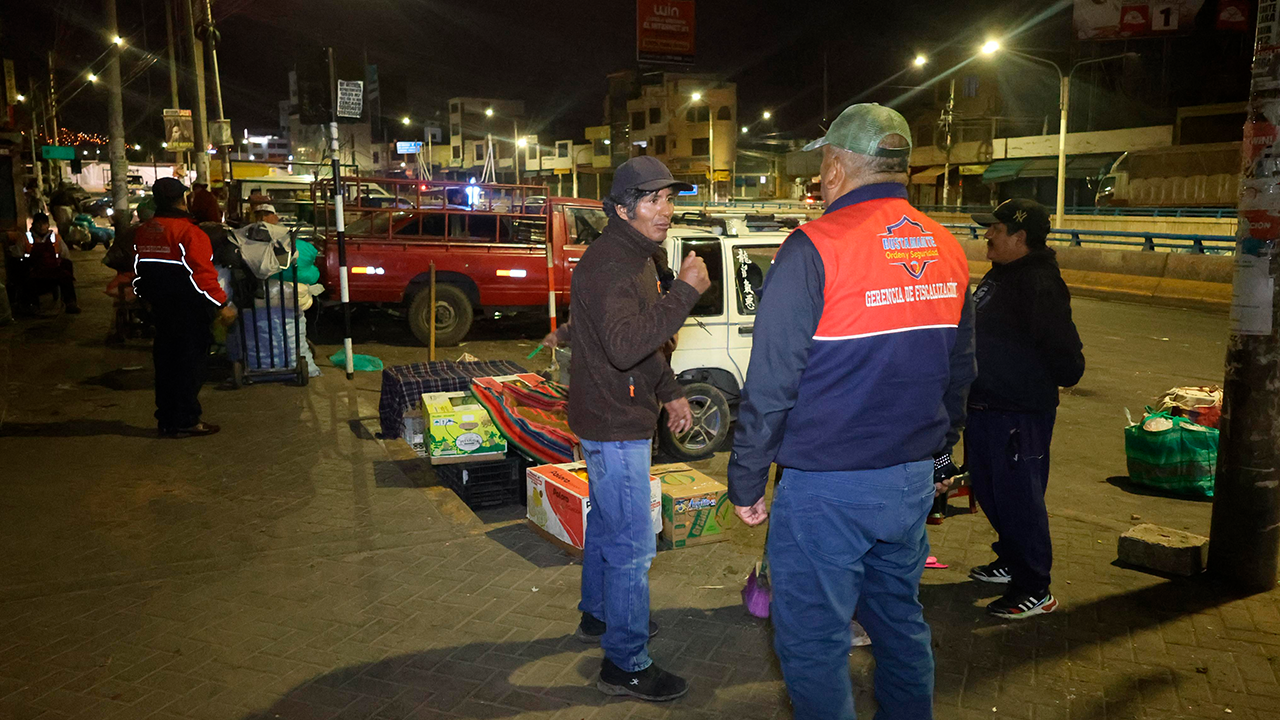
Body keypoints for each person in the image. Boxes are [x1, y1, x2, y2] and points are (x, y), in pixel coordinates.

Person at [727, 103, 975, 720]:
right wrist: (937, 453)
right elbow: (961, 373)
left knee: (813, 642)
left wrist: (747, 477)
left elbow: (772, 383)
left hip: (827, 488)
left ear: (836, 167)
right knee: (899, 623)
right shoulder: (947, 247)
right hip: (909, 482)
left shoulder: (813, 248)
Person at [567, 155, 710, 702]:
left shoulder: (638, 259)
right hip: (614, 421)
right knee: (632, 547)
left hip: (617, 412)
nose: (666, 211)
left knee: (608, 524)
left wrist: (669, 391)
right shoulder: (610, 266)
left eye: (670, 199)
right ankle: (625, 664)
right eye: (653, 200)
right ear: (623, 209)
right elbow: (627, 345)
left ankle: (599, 617)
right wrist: (686, 292)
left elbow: (641, 343)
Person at [965, 198, 1085, 619]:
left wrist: (1026, 377)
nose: (987, 235)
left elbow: (1065, 355)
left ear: (1019, 236)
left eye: (995, 229)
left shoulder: (1039, 283)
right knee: (988, 487)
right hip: (985, 405)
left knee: (1019, 498)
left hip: (1017, 411)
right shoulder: (1002, 275)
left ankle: (1035, 585)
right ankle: (1011, 558)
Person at [134, 178, 236, 438]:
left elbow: (139, 269)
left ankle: (167, 419)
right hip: (188, 308)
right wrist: (221, 304)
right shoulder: (190, 233)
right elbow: (202, 275)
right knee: (189, 365)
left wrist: (142, 297)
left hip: (160, 308)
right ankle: (187, 419)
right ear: (182, 199)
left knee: (166, 363)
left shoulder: (145, 230)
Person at [21, 213, 80, 314]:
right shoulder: (25, 239)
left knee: (66, 276)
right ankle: (32, 306)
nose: (41, 226)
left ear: (48, 225)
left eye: (43, 223)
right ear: (33, 225)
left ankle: (70, 303)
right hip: (34, 272)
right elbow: (17, 255)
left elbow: (66, 256)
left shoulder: (56, 238)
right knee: (26, 280)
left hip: (54, 270)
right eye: (38, 224)